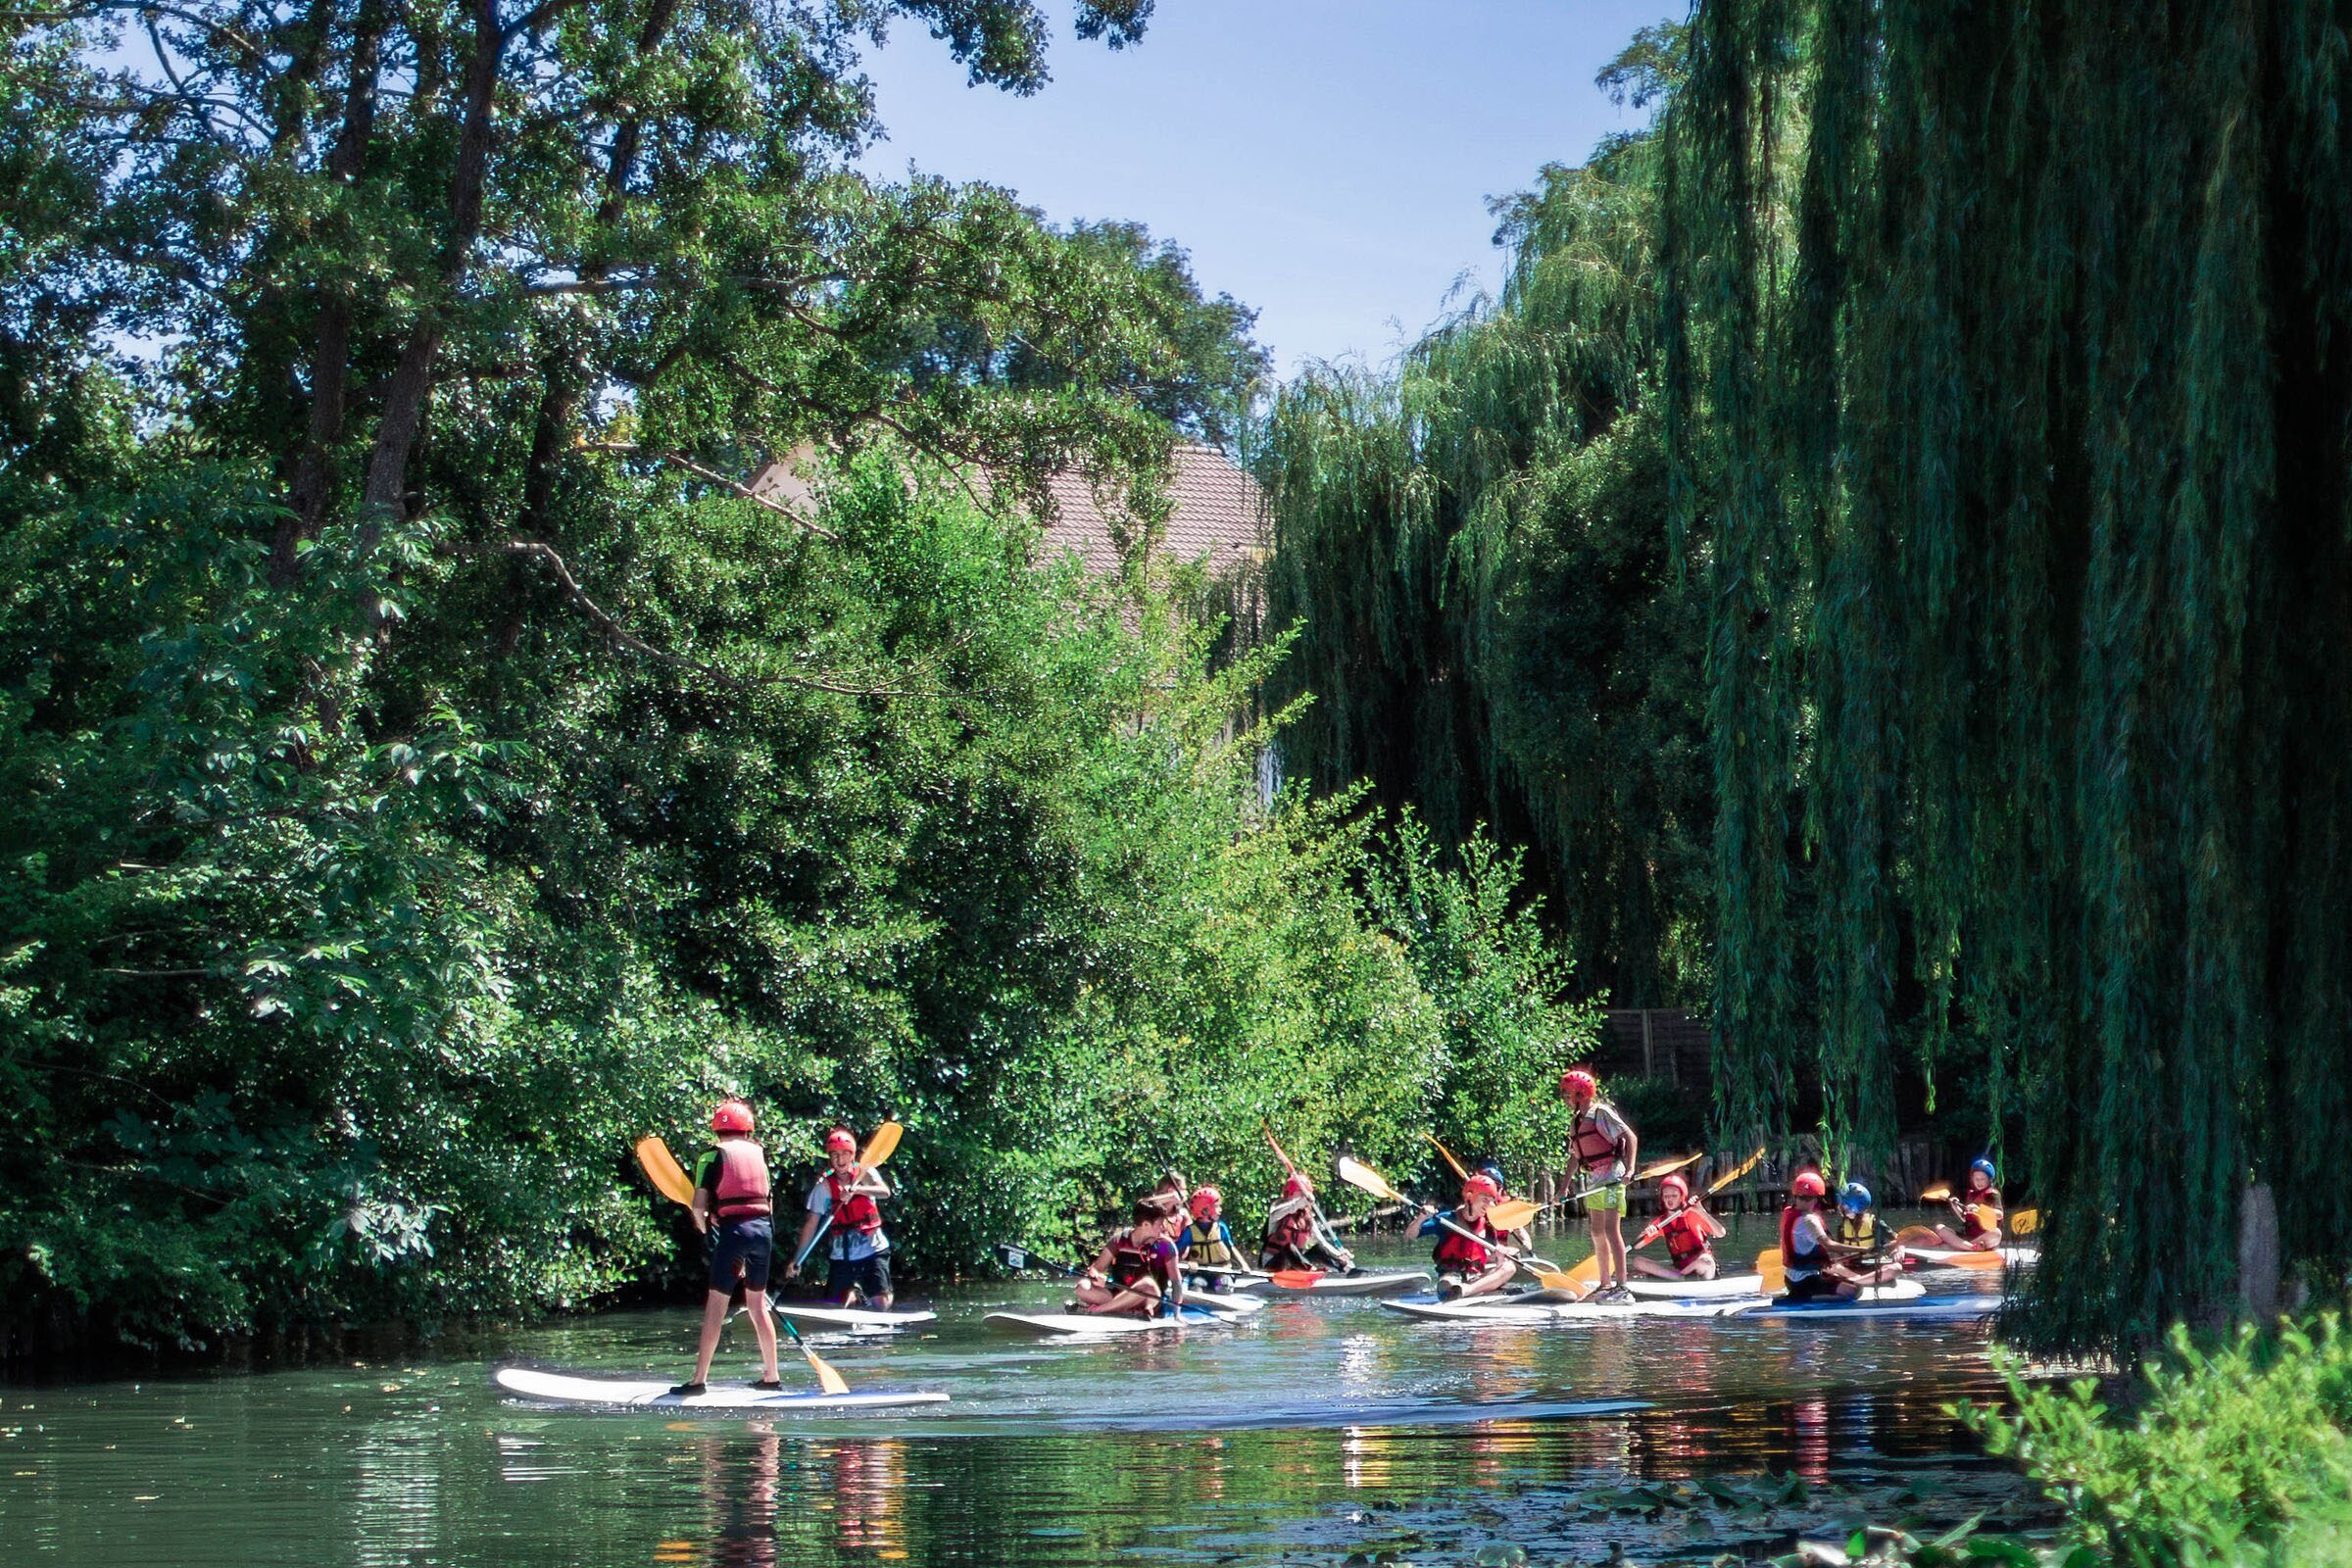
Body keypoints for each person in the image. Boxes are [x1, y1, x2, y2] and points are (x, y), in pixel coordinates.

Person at [673, 1099, 784, 1396]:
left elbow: (698, 1207)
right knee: (758, 1306)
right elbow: (766, 1201)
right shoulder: (759, 1154)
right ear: (748, 1129)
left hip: (734, 1234)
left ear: (717, 1130)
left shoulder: (711, 1156)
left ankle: (698, 1381)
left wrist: (705, 1226)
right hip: (763, 1232)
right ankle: (772, 1376)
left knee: (715, 1308)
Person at [783, 1126, 894, 1309]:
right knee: (835, 1305)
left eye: (844, 1154)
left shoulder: (865, 1173)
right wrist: (797, 1260)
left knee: (881, 1303)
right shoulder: (824, 1187)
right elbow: (812, 1224)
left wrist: (857, 1190)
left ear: (852, 1155)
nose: (840, 1159)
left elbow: (884, 1192)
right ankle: (856, 1296)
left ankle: (871, 1302)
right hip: (842, 1254)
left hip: (873, 1248)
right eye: (834, 1155)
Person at [1560, 1068, 1640, 1302]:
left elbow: (1631, 1137)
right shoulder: (1576, 1121)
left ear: (1581, 1094)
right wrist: (1563, 1187)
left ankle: (1622, 1286)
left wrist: (1631, 1168)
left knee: (1610, 1230)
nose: (1565, 1099)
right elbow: (1575, 1156)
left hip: (1613, 1176)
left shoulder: (1601, 1112)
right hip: (1594, 1179)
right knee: (1596, 1231)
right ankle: (1605, 1284)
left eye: (1568, 1094)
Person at [1417, 1172, 1519, 1300]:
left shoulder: (1488, 1224)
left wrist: (1500, 1256)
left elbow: (1490, 1255)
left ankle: (1469, 1291)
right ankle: (1464, 1292)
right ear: (1470, 1197)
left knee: (1509, 1267)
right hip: (1452, 1276)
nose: (1488, 1205)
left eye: (1490, 1201)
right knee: (1448, 1283)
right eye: (1484, 1200)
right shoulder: (1447, 1219)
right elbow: (1411, 1234)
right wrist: (1421, 1217)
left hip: (1474, 1279)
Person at [1076, 1200, 1183, 1317]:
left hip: (1150, 1298)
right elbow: (1096, 1269)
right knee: (1082, 1286)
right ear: (1146, 1224)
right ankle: (1121, 1309)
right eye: (1160, 1223)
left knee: (1147, 1284)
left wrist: (1177, 1314)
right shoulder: (1119, 1241)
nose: (1163, 1227)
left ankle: (1098, 1310)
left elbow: (1176, 1283)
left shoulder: (1166, 1246)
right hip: (1118, 1295)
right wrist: (1096, 1277)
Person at [1631, 1171, 1726, 1280]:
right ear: (1662, 1198)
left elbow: (1721, 1233)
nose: (1669, 1199)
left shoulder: (1692, 1214)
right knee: (1637, 1261)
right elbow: (1637, 1246)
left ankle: (1677, 1277)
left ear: (1682, 1197)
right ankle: (1678, 1277)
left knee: (1706, 1261)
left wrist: (1702, 1211)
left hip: (1701, 1266)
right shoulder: (1661, 1222)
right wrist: (1647, 1233)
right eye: (1666, 1196)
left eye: (1674, 1196)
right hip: (1678, 1267)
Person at [1260, 1170, 1355, 1272]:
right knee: (1289, 1247)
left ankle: (1346, 1268)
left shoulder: (1307, 1217)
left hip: (1295, 1264)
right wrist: (1302, 1200)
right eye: (1300, 1193)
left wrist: (1340, 1255)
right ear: (1290, 1192)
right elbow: (1291, 1207)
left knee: (1319, 1249)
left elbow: (1322, 1242)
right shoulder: (1278, 1208)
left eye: (1305, 1193)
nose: (1304, 1196)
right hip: (1273, 1264)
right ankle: (1309, 1270)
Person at [1832, 1181, 1902, 1289]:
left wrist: (1899, 1249)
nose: (1841, 1208)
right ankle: (1859, 1280)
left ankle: (1855, 1282)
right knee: (1829, 1266)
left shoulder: (1875, 1223)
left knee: (1896, 1268)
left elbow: (1899, 1239)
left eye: (1845, 1205)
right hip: (1853, 1268)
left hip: (1875, 1265)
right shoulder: (1842, 1227)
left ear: (1855, 1206)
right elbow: (1838, 1255)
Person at [1174, 1186, 1246, 1291]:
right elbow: (1175, 1252)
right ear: (1205, 1211)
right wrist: (1186, 1263)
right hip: (1200, 1271)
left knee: (1223, 1286)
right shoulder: (1190, 1231)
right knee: (1197, 1286)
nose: (1220, 1210)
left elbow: (1231, 1248)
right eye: (1216, 1206)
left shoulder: (1221, 1227)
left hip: (1222, 1270)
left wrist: (1244, 1265)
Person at [1931, 1157, 2005, 1250]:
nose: (1979, 1182)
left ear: (1989, 1180)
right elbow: (1965, 1218)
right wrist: (1955, 1206)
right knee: (1940, 1228)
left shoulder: (1993, 1195)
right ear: (1972, 1179)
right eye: (1976, 1179)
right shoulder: (1971, 1195)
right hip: (1970, 1238)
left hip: (1985, 1237)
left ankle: (1959, 1246)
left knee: (1996, 1233)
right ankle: (1970, 1247)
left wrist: (1979, 1209)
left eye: (1982, 1179)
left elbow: (1999, 1214)